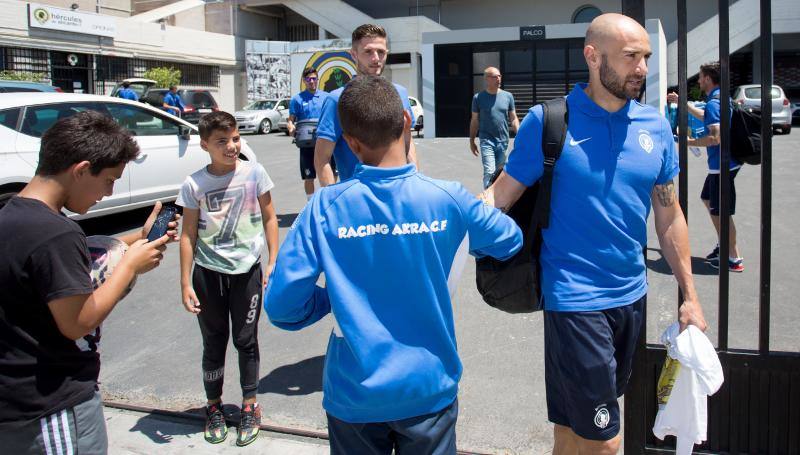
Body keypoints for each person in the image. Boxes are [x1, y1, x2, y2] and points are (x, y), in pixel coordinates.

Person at [480, 14, 707, 455]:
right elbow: (501, 194)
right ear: (592, 56)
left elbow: (669, 214)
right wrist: (439, 222)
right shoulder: (549, 122)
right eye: (630, 57)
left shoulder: (655, 128)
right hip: (574, 299)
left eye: (644, 57)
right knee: (606, 440)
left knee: (571, 428)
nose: (641, 67)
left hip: (630, 296)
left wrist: (690, 295)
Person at [264, 76, 522, 455]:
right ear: (406, 121)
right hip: (428, 390)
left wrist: (332, 299)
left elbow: (283, 307)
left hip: (355, 395)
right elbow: (510, 240)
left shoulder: (324, 208)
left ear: (349, 143)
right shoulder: (449, 198)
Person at [0, 111, 175, 453]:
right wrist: (129, 267)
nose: (107, 193)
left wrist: (138, 238)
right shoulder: (55, 234)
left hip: (16, 399)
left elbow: (57, 262)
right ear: (81, 170)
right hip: (53, 405)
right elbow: (78, 322)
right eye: (109, 180)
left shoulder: (13, 213)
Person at [177, 111, 279, 447]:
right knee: (214, 341)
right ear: (205, 144)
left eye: (235, 139)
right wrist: (185, 282)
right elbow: (188, 234)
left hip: (246, 271)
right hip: (208, 275)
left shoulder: (254, 173)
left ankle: (250, 404)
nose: (231, 146)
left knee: (246, 340)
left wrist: (272, 261)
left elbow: (270, 217)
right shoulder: (194, 184)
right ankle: (214, 406)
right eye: (222, 141)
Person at [314, 23, 418, 186]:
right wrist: (334, 202)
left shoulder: (400, 93)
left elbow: (407, 142)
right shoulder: (336, 100)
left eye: (381, 52)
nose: (376, 58)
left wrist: (415, 182)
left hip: (399, 195)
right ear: (354, 54)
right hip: (356, 201)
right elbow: (321, 159)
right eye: (368, 52)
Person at [667, 61, 743, 272]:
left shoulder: (714, 103)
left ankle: (733, 257)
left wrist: (687, 142)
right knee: (708, 199)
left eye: (700, 77)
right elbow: (706, 117)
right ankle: (725, 244)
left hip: (722, 164)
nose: (698, 80)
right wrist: (683, 102)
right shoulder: (720, 98)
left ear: (708, 79)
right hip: (726, 163)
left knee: (720, 212)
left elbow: (714, 138)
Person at [469, 66, 520, 188]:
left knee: (501, 173)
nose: (499, 79)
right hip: (486, 140)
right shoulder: (478, 98)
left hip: (503, 141)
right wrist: (471, 140)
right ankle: (488, 202)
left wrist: (520, 134)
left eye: (499, 76)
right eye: (495, 76)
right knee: (490, 171)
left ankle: (498, 200)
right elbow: (475, 120)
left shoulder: (508, 96)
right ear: (487, 79)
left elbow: (513, 118)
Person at [288, 67, 333, 199]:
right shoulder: (297, 99)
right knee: (309, 176)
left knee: (330, 172)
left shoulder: (326, 97)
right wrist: (291, 127)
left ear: (317, 79)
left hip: (325, 141)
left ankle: (329, 201)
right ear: (304, 81)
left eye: (314, 78)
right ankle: (310, 204)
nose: (312, 81)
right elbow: (291, 120)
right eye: (308, 79)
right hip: (306, 143)